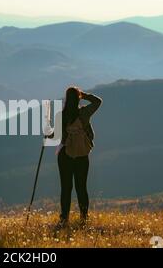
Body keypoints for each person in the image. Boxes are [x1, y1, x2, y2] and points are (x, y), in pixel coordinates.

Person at [54, 86, 102, 229]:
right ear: (78, 98)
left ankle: (64, 219)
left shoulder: (61, 116)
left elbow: (56, 136)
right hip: (82, 154)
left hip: (65, 155)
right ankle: (84, 218)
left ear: (66, 99)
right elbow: (98, 101)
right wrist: (84, 95)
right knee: (81, 187)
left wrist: (47, 135)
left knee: (66, 188)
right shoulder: (84, 113)